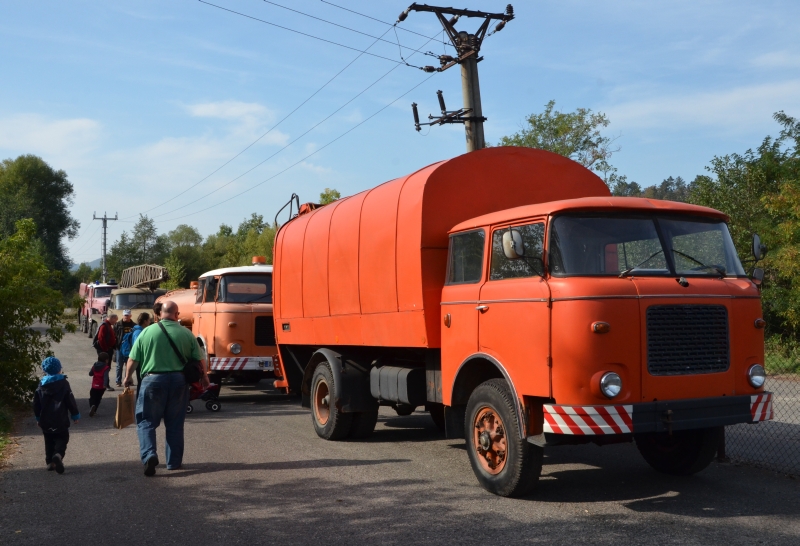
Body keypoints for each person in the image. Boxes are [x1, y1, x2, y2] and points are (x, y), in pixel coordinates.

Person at [124, 301, 208, 476]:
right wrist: (205, 377)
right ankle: (174, 463)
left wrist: (127, 377)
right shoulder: (186, 333)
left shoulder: (147, 332)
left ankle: (149, 456)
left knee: (146, 421)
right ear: (177, 314)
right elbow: (199, 360)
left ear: (159, 314)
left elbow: (133, 359)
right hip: (179, 381)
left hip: (152, 381)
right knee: (175, 424)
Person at [33, 357, 80, 474]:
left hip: (46, 419)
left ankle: (49, 462)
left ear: (44, 370)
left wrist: (38, 418)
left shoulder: (41, 385)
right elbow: (70, 400)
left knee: (48, 440)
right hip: (61, 419)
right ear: (59, 369)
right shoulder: (64, 383)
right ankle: (58, 455)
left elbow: (36, 404)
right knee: (62, 438)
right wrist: (75, 415)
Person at [94, 314, 118, 392]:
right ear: (112, 318)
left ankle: (104, 384)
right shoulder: (104, 326)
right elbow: (101, 338)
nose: (116, 322)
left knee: (106, 368)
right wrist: (105, 350)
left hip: (107, 350)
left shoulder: (108, 325)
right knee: (105, 368)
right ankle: (105, 385)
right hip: (105, 351)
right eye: (115, 320)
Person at [113, 310, 136, 387]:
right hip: (120, 348)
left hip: (130, 348)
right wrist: (115, 346)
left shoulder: (134, 326)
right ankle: (118, 381)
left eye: (127, 315)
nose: (126, 317)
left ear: (130, 316)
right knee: (119, 365)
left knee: (129, 365)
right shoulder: (117, 325)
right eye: (125, 315)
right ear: (122, 315)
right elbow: (114, 335)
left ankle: (128, 380)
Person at [88, 352, 111, 417]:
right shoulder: (106, 368)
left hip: (94, 385)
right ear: (106, 360)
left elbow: (90, 374)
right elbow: (105, 376)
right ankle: (94, 410)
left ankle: (92, 406)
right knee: (98, 398)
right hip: (101, 386)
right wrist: (105, 384)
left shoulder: (94, 366)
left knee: (92, 397)